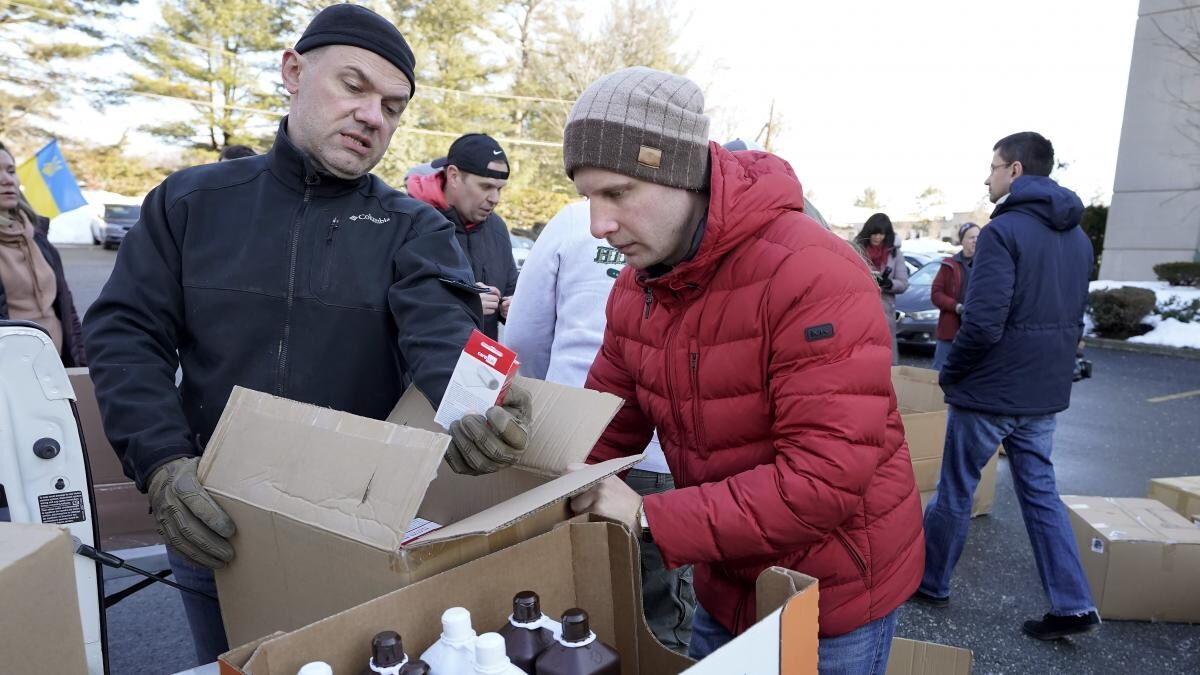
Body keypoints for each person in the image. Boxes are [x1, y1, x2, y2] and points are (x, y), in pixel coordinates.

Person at [82, 5, 532, 664]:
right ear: (293, 71)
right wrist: (160, 463)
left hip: (356, 532)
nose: (374, 115)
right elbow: (125, 332)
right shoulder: (190, 203)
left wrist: (479, 408)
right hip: (214, 520)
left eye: (393, 105)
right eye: (354, 86)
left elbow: (441, 335)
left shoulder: (413, 228)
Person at [562, 67, 923, 673]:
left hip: (827, 596)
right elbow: (606, 426)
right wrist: (531, 455)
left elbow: (824, 480)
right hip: (725, 578)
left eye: (618, 193)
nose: (598, 224)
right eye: (588, 198)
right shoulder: (638, 289)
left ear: (680, 176)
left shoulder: (811, 273)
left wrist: (649, 514)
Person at [915, 132, 1099, 641]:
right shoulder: (1079, 238)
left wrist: (953, 374)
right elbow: (1071, 320)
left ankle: (932, 582)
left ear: (1015, 171)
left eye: (993, 167)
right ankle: (1073, 603)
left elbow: (983, 322)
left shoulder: (1004, 232)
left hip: (991, 391)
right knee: (1040, 495)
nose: (987, 176)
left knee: (956, 487)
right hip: (1043, 394)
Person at [503, 200, 695, 652]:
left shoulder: (571, 220)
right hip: (665, 456)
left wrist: (557, 401)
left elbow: (523, 336)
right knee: (659, 612)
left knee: (570, 596)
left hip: (572, 447)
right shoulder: (680, 224)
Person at [406, 133, 518, 340]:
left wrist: (512, 306)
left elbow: (511, 288)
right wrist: (463, 303)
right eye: (485, 187)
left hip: (479, 369)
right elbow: (386, 300)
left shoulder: (497, 228)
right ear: (454, 176)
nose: (495, 199)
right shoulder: (409, 221)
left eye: (499, 189)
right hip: (421, 367)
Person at [0, 141, 87, 367]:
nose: (7, 180)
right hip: (9, 376)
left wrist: (81, 364)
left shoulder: (38, 236)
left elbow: (67, 310)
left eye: (11, 171)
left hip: (55, 367)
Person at [854, 213, 908, 365]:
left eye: (881, 233)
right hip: (861, 310)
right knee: (862, 360)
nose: (877, 237)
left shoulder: (895, 254)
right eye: (874, 233)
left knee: (887, 361)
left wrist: (889, 284)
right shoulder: (856, 250)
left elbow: (903, 283)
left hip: (885, 311)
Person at [930, 222, 980, 370]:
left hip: (975, 332)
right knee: (940, 371)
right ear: (962, 240)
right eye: (971, 237)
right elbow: (936, 294)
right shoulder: (949, 265)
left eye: (978, 237)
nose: (975, 240)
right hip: (950, 330)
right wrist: (956, 306)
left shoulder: (987, 264)